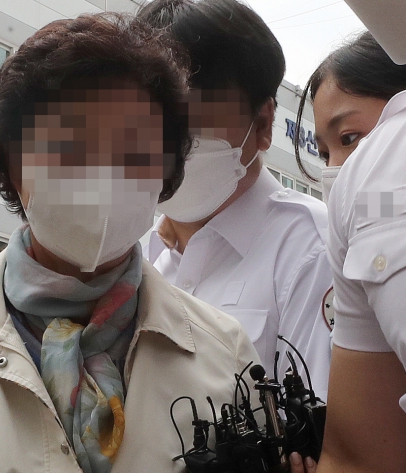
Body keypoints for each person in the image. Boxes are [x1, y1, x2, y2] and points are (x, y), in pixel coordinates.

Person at [0, 13, 262, 473]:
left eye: (133, 151)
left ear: (166, 173)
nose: (103, 173)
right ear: (14, 165)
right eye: (71, 147)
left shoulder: (225, 353)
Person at [137, 0, 333, 402]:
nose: (172, 144)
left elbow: (321, 429)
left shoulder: (311, 249)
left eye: (193, 119)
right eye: (152, 122)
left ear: (262, 123)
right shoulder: (137, 253)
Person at [295, 31, 406, 473]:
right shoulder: (352, 224)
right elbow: (355, 456)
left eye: (351, 137)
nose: (337, 168)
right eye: (324, 152)